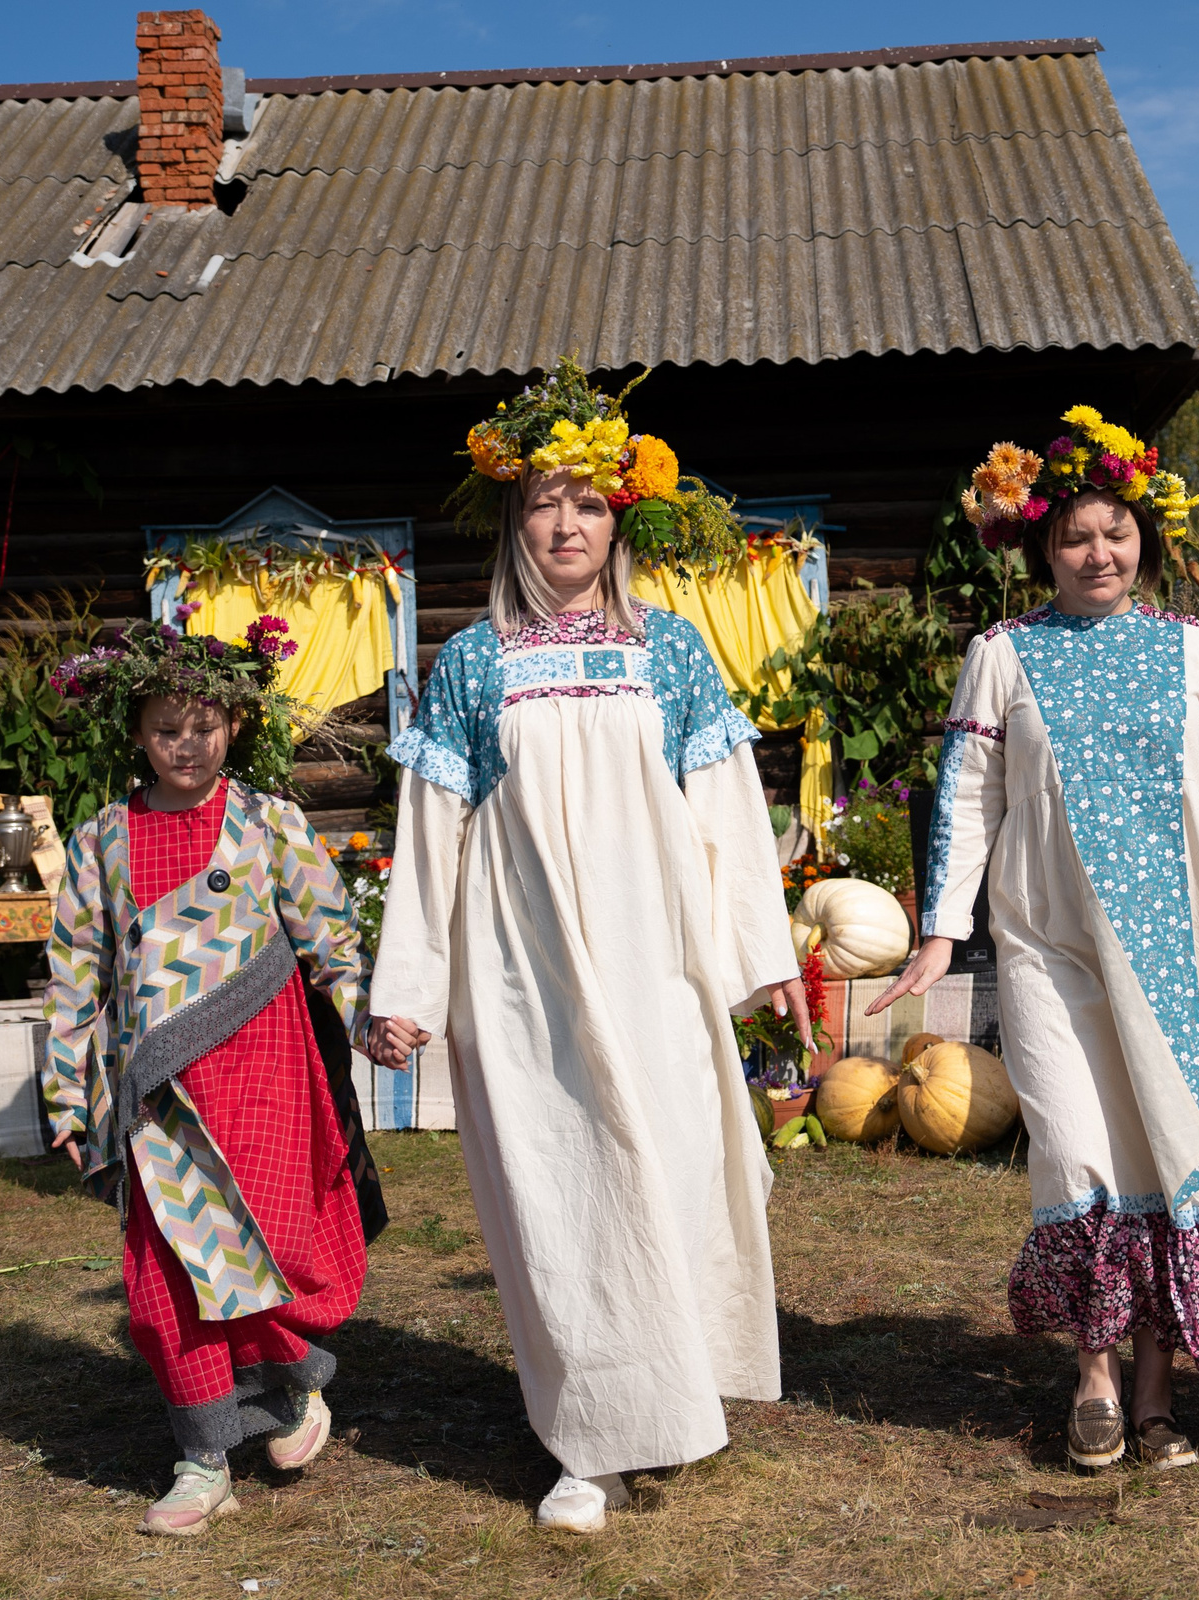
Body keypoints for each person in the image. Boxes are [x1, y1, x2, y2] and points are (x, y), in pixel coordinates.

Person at [361, 361, 805, 1535]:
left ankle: (668, 1390)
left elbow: (726, 811)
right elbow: (433, 835)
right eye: (543, 503)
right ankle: (586, 1446)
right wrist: (409, 985)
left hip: (655, 955)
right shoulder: (471, 662)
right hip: (524, 969)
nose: (565, 523)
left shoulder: (673, 650)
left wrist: (761, 954)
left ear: (619, 522)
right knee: (560, 1186)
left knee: (671, 1163)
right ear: (514, 523)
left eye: (588, 503)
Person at [870, 409, 1199, 1474]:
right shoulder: (1001, 655)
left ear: (1142, 540)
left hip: (1180, 951)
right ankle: (1094, 1374)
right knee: (1076, 1153)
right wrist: (941, 930)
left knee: (1167, 1153)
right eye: (1075, 535)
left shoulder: (1191, 650)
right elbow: (966, 797)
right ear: (1043, 548)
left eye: (1116, 531)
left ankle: (1152, 1397)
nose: (1098, 552)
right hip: (1047, 947)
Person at [41, 615, 375, 1537]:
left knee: (264, 1245)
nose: (187, 746)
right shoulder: (102, 839)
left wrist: (368, 1018)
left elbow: (331, 941)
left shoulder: (270, 823)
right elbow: (74, 975)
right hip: (156, 1094)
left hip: (265, 1075)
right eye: (166, 729)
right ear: (136, 734)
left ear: (234, 725)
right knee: (166, 1274)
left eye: (205, 726)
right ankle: (201, 1460)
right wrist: (67, 1095)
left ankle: (293, 1384)